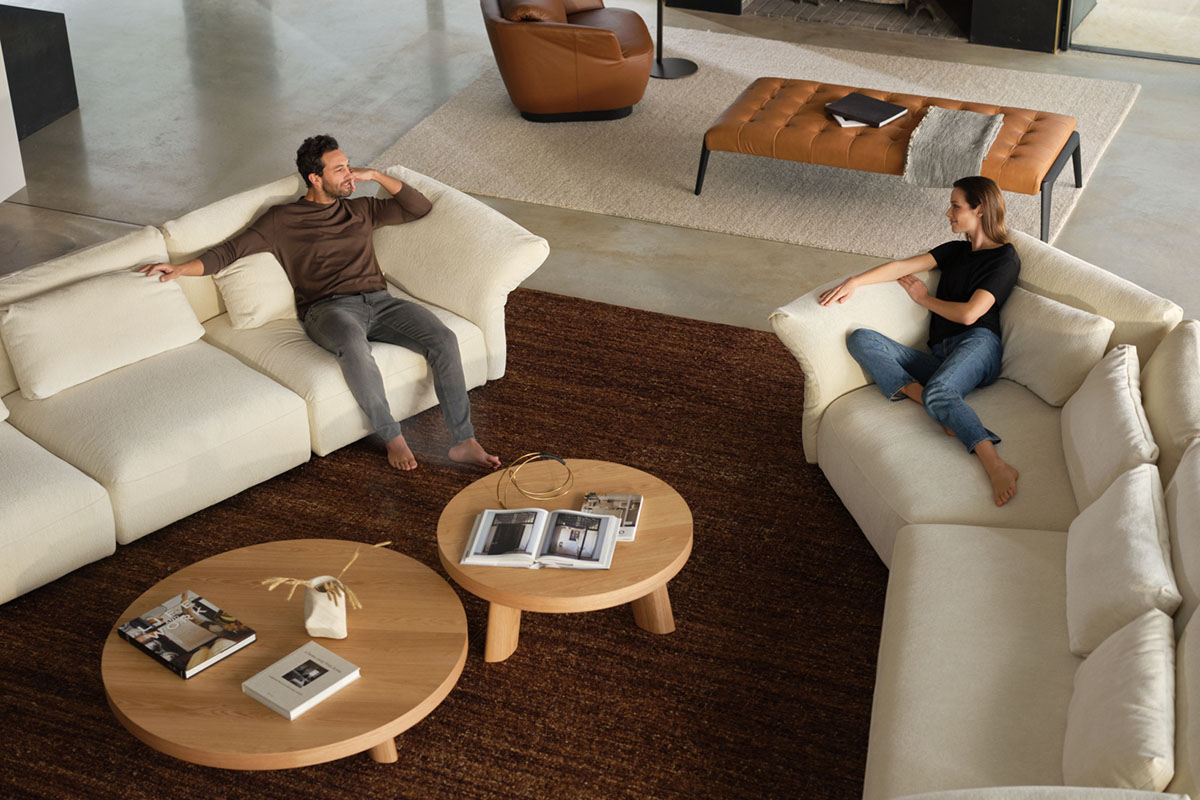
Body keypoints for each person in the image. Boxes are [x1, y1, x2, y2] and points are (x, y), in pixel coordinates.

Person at [140, 135, 500, 472]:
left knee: (443, 338)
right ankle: (392, 436)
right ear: (315, 178)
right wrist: (180, 269)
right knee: (353, 345)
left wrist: (376, 175)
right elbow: (228, 252)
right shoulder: (282, 220)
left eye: (349, 165)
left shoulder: (361, 209)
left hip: (381, 302)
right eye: (339, 169)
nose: (350, 174)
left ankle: (463, 440)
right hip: (328, 309)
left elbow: (419, 208)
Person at [818, 175, 1020, 506]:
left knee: (941, 390)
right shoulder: (954, 251)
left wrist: (924, 299)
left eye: (955, 206)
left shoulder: (1004, 258)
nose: (948, 213)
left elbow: (970, 314)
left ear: (980, 209)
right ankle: (935, 405)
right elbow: (901, 267)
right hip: (941, 356)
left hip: (979, 346)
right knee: (862, 339)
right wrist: (855, 282)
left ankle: (996, 464)